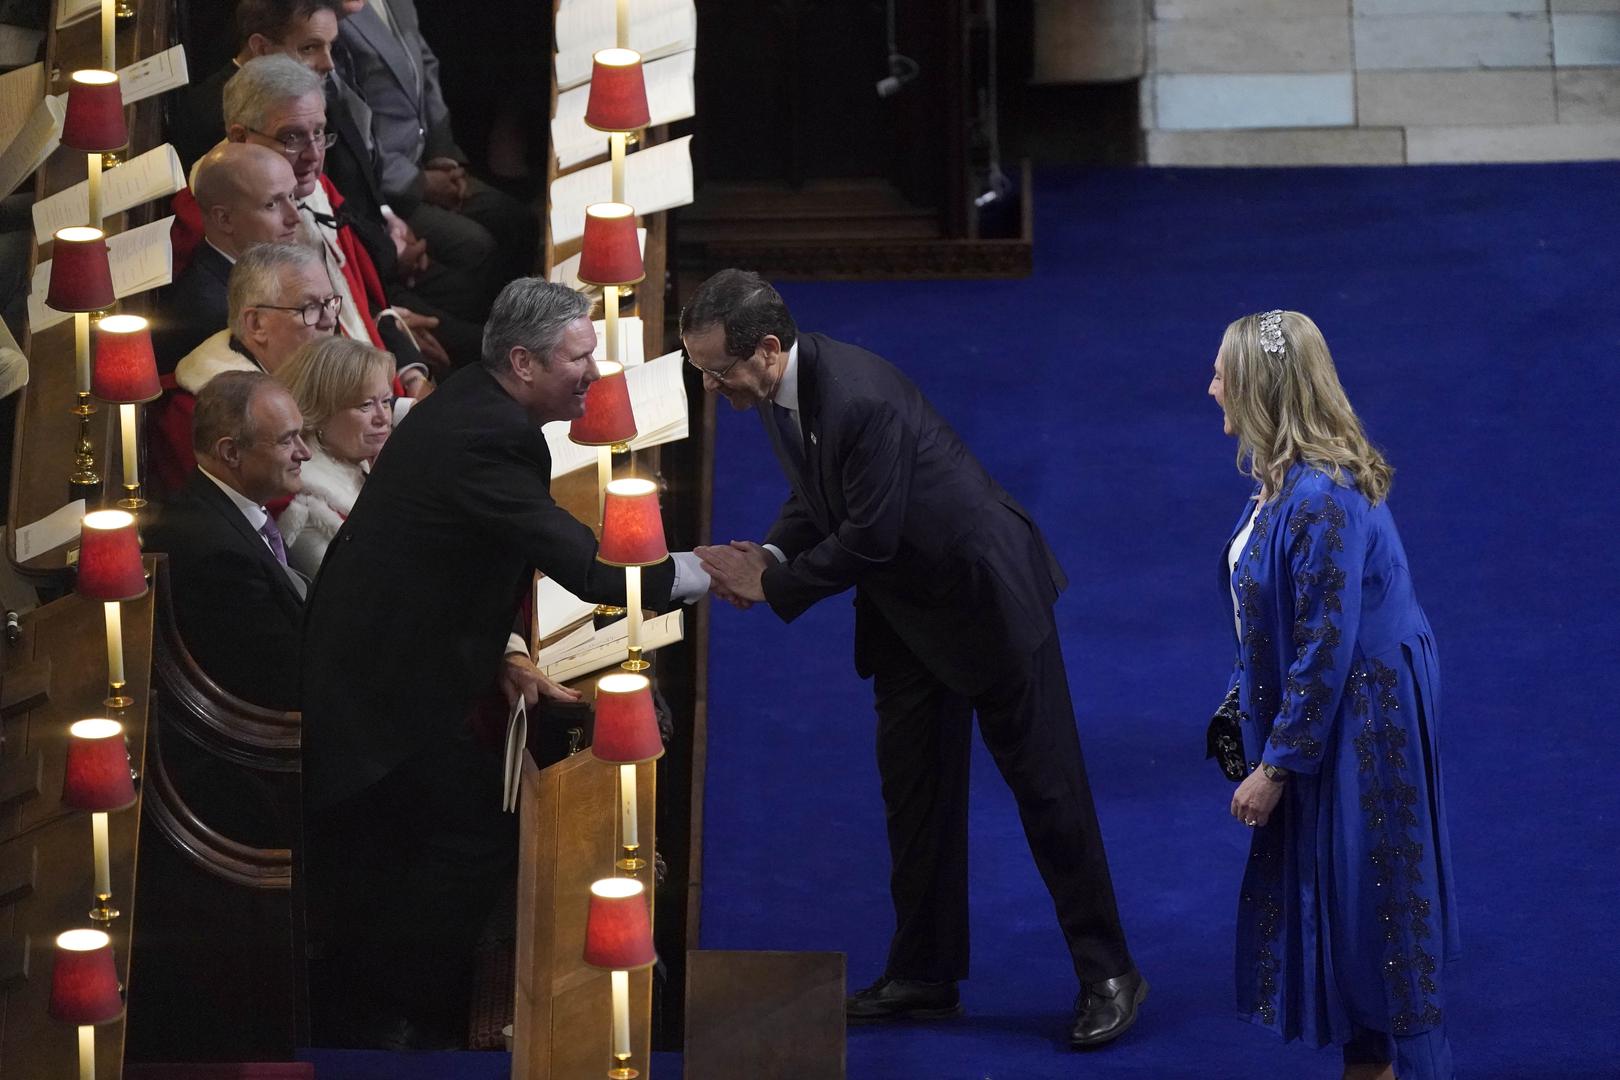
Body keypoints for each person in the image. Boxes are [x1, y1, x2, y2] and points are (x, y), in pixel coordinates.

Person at [685, 269, 1146, 1049]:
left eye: (716, 371)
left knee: (1048, 793)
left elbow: (870, 536)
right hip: (907, 619)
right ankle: (925, 975)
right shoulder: (777, 392)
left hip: (985, 603)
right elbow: (817, 497)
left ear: (766, 349)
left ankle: (1110, 972)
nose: (711, 386)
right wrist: (767, 550)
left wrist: (774, 585)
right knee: (916, 798)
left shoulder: (858, 397)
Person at [299, 279, 709, 1049]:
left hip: (401, 665)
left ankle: (398, 993)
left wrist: (506, 655)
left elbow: (456, 561)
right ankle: (397, 1012)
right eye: (577, 358)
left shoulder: (475, 406)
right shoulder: (488, 434)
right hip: (380, 695)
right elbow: (591, 568)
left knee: (460, 826)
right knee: (470, 834)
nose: (593, 374)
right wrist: (705, 573)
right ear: (522, 362)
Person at [1208, 310, 1458, 1080]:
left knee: (1380, 907)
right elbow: (1282, 619)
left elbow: (1322, 644)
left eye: (1224, 373)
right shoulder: (1285, 478)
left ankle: (1415, 1066)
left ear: (1262, 389)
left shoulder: (1319, 497)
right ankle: (1369, 1061)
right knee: (1354, 903)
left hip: (1367, 715)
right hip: (1341, 704)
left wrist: (1275, 767)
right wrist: (1240, 702)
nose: (1211, 386)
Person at [336, 0, 538, 290]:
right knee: (477, 248)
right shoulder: (336, 16)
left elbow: (426, 65)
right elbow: (352, 133)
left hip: (427, 158)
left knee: (518, 221)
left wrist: (441, 154)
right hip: (388, 187)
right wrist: (422, 183)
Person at [145, 371, 312, 710]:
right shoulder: (216, 555)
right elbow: (278, 681)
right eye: (287, 440)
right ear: (231, 453)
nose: (304, 452)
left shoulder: (229, 508)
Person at [151, 242, 339, 495]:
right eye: (310, 308)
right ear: (256, 323)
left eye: (330, 303)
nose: (330, 321)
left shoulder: (316, 370)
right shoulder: (206, 414)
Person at [151, 142, 302, 372]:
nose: (294, 216)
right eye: (272, 204)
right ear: (224, 219)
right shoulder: (214, 317)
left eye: (292, 196)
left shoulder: (253, 270)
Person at [272, 336, 393, 577]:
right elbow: (357, 591)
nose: (383, 417)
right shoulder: (305, 506)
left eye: (387, 402)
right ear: (319, 412)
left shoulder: (368, 466)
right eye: (365, 405)